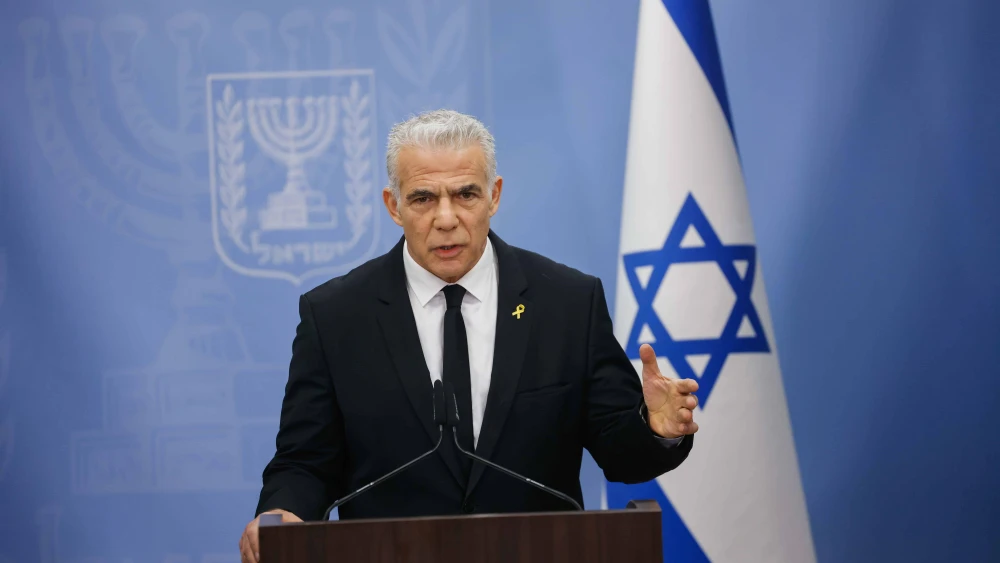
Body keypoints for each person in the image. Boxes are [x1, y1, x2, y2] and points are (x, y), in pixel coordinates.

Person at [238, 110, 699, 563]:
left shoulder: (568, 303)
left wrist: (653, 429)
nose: (446, 218)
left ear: (494, 196)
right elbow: (305, 460)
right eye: (422, 198)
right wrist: (283, 513)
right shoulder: (336, 316)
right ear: (392, 205)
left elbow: (622, 456)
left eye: (465, 194)